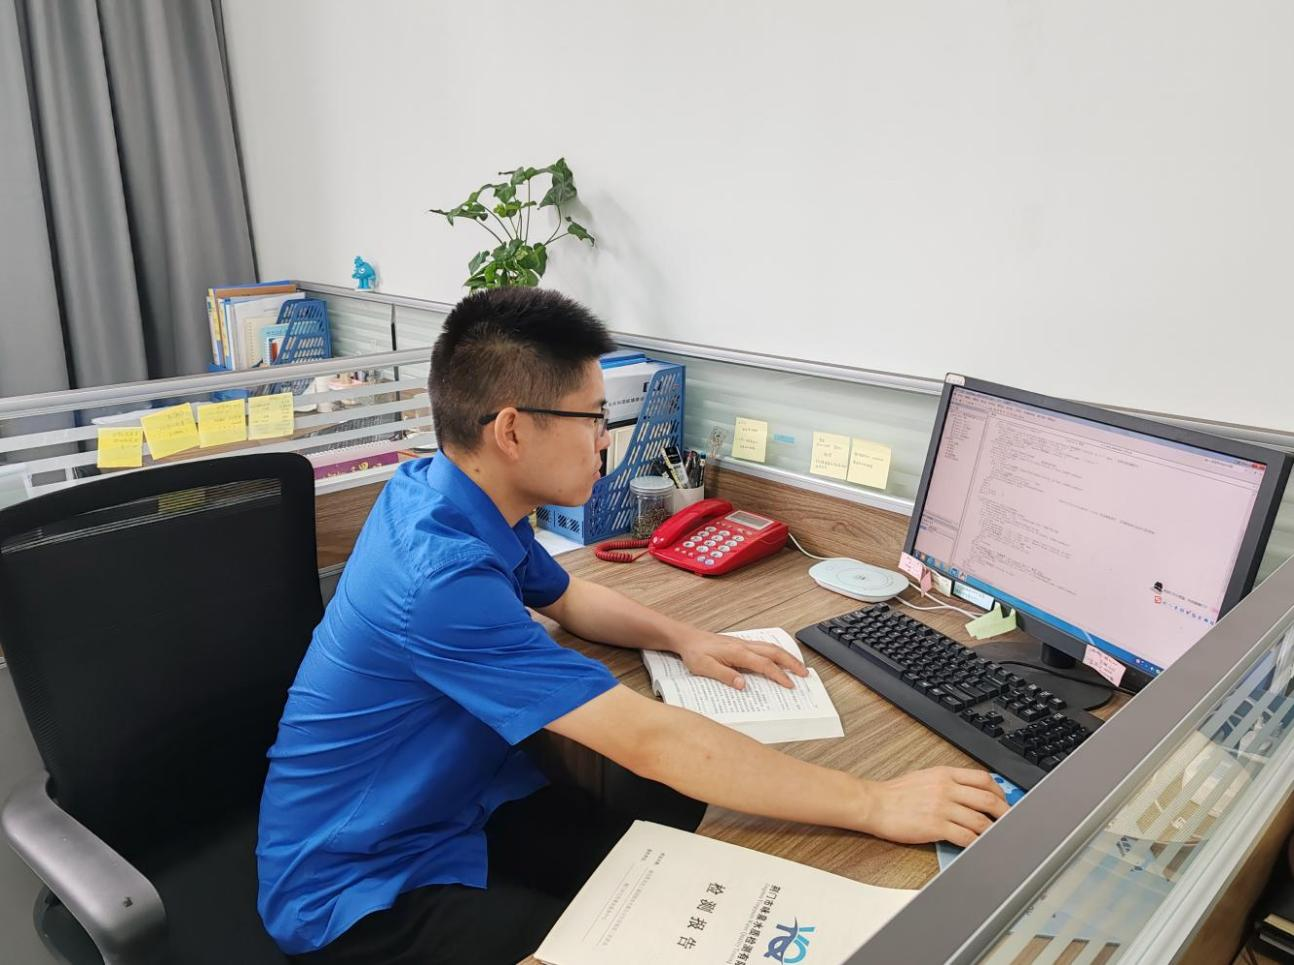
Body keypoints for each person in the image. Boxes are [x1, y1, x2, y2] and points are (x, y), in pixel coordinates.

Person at [256, 287, 1008, 964]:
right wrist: (874, 802)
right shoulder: (439, 577)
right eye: (592, 417)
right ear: (512, 431)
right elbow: (650, 740)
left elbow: (567, 597)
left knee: (686, 873)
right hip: (358, 884)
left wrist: (686, 638)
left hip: (460, 805)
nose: (604, 440)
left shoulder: (449, 492)